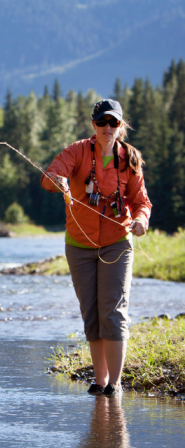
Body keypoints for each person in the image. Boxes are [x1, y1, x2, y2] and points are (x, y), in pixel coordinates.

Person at [41, 99, 152, 396]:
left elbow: (141, 202)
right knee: (91, 313)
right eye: (102, 122)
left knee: (112, 311)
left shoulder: (129, 159)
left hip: (117, 242)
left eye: (113, 122)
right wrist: (58, 181)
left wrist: (141, 220)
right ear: (94, 125)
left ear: (121, 126)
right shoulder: (76, 151)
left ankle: (114, 385)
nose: (107, 128)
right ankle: (99, 381)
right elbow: (50, 177)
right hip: (78, 244)